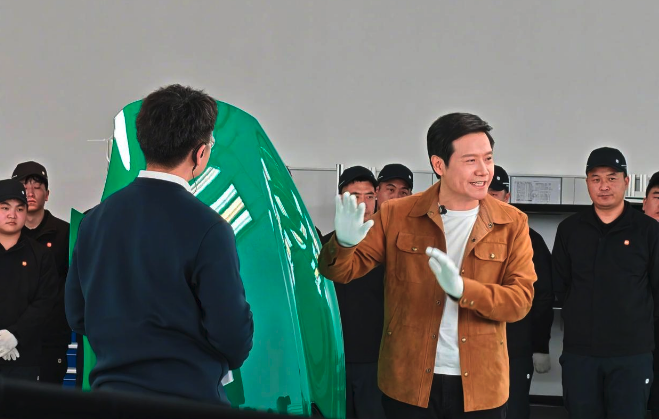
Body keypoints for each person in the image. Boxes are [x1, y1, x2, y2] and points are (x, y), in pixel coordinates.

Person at [319, 112, 537, 418]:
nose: (484, 171)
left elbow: (520, 301)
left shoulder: (512, 222)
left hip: (481, 386)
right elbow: (339, 272)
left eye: (488, 158)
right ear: (439, 165)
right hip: (408, 382)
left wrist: (464, 290)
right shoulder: (397, 214)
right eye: (470, 160)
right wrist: (343, 243)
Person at [65, 84, 254, 404]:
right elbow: (232, 335)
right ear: (200, 153)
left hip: (110, 397)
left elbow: (77, 316)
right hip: (188, 399)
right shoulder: (210, 228)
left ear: (144, 141)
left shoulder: (93, 222)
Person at [553, 147, 659, 419]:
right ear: (587, 182)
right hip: (580, 354)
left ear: (626, 181)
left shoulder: (648, 231)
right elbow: (560, 285)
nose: (604, 186)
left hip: (631, 355)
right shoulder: (570, 229)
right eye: (596, 178)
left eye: (612, 178)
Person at [487, 165, 553, 419]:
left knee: (514, 410)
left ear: (507, 197)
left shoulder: (529, 238)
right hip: (472, 348)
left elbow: (543, 296)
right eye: (485, 193)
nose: (489, 199)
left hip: (515, 347)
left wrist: (540, 346)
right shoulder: (461, 235)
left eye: (495, 194)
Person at [322, 166, 383, 418]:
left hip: (376, 359)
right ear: (341, 199)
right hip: (335, 357)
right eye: (355, 196)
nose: (364, 204)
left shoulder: (388, 248)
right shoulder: (324, 246)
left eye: (370, 196)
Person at [12, 161, 71, 385]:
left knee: (47, 400)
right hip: (10, 339)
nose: (30, 192)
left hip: (51, 340)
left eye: (37, 186)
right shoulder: (6, 236)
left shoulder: (66, 234)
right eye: (24, 186)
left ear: (47, 194)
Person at [0, 179, 59, 381]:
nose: (12, 215)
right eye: (5, 208)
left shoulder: (40, 255)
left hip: (25, 358)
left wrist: (15, 335)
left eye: (19, 209)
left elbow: (45, 302)